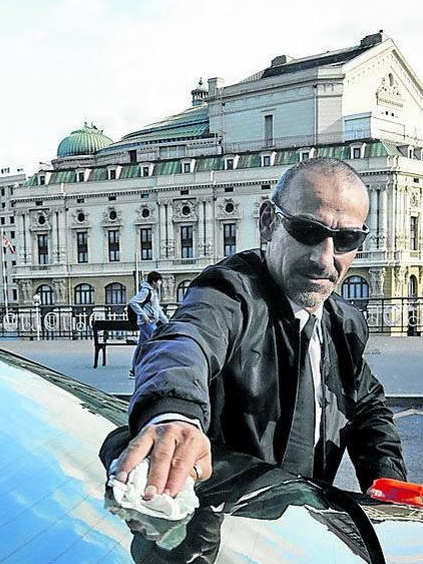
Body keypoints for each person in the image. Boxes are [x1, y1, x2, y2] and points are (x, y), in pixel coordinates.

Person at [113, 157, 406, 500]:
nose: (325, 258)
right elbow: (186, 341)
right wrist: (175, 413)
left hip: (301, 528)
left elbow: (367, 404)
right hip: (227, 527)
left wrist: (388, 478)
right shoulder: (232, 292)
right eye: (309, 231)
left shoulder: (344, 322)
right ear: (268, 223)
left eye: (346, 239)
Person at [127, 270, 168, 378]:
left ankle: (134, 370)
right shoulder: (146, 291)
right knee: (157, 342)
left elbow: (158, 310)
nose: (161, 283)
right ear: (154, 282)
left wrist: (167, 322)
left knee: (141, 346)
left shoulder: (153, 292)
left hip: (150, 322)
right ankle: (159, 367)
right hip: (146, 323)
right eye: (159, 281)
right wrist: (143, 315)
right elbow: (133, 302)